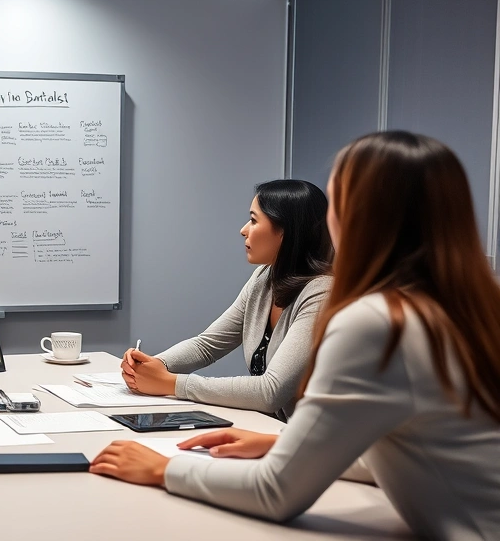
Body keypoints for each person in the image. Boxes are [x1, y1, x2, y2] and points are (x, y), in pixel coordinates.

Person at [92, 131, 500, 539]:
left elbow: (275, 492)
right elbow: (412, 447)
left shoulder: (376, 322)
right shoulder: (463, 309)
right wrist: (282, 444)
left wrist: (162, 468)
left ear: (357, 217)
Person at [122, 179, 333, 420]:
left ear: (286, 232)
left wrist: (172, 383)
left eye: (254, 220)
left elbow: (270, 392)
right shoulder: (264, 277)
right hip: (274, 430)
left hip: (313, 439)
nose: (243, 230)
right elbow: (206, 346)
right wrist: (153, 365)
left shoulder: (322, 293)